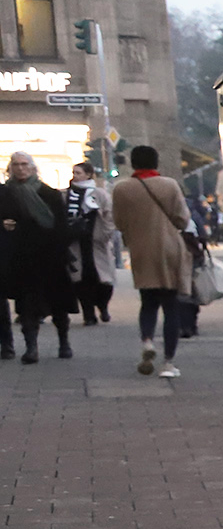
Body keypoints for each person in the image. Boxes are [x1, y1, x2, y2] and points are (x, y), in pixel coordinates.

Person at [112, 145, 192, 378]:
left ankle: (147, 341)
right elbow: (182, 219)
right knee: (171, 306)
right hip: (169, 249)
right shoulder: (169, 185)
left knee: (148, 302)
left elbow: (118, 222)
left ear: (133, 163)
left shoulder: (122, 189)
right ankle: (168, 362)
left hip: (141, 250)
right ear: (156, 162)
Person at [0, 150, 74, 363]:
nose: (20, 168)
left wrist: (61, 252)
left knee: (58, 303)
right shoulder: (6, 194)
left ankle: (64, 342)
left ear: (33, 168)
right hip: (22, 259)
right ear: (10, 168)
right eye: (16, 165)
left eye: (24, 164)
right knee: (26, 307)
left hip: (50, 257)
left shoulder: (48, 194)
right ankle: (31, 348)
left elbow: (60, 226)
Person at [65, 160, 115, 324]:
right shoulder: (67, 194)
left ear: (88, 174)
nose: (75, 177)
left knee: (104, 281)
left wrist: (105, 234)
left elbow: (109, 216)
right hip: (76, 244)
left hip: (96, 243)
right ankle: (89, 315)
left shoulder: (99, 194)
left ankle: (103, 306)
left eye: (78, 173)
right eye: (73, 173)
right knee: (81, 280)